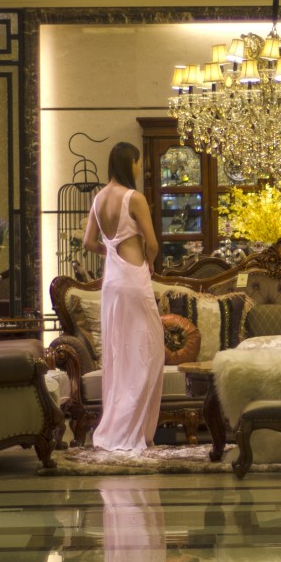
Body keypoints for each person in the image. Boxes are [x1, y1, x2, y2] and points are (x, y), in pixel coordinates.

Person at [82, 142, 163, 452]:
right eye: (138, 163)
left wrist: (111, 252)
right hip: (133, 278)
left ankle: (121, 428)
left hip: (112, 282)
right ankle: (135, 430)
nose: (139, 168)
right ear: (129, 163)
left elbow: (89, 242)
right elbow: (152, 243)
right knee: (148, 350)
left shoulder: (99, 198)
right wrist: (149, 262)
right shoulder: (134, 198)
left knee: (120, 352)